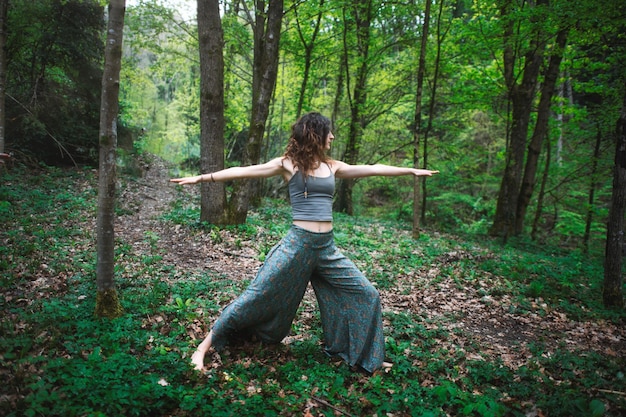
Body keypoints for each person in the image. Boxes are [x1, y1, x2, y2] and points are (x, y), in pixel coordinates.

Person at [170, 112, 439, 374]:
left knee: (366, 294)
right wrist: (201, 178)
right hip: (297, 245)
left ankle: (365, 357)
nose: (332, 137)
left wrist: (411, 171)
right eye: (327, 132)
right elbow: (243, 171)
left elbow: (374, 170)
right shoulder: (288, 165)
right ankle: (203, 348)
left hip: (326, 249)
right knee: (256, 295)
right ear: (314, 135)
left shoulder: (332, 167)